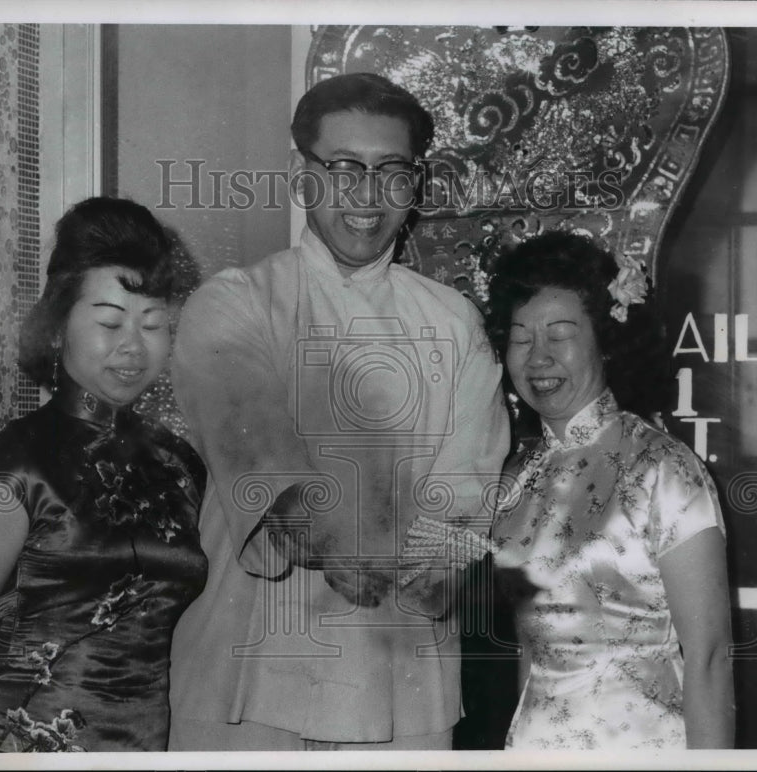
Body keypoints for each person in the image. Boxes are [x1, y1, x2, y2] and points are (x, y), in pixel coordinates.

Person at [168, 73, 510, 750]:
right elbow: (258, 457)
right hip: (251, 666)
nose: (367, 194)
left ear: (416, 185)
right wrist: (333, 538)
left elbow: (466, 484)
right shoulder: (234, 304)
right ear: (303, 177)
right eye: (344, 167)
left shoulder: (453, 322)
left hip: (396, 671)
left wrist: (442, 563)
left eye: (392, 171)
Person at [0, 197, 209, 752]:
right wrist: (15, 741)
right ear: (57, 327)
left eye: (153, 324)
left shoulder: (176, 465)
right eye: (109, 322)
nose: (132, 346)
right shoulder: (13, 467)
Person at [484, 231, 734, 749]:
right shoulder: (517, 476)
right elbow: (531, 653)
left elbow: (709, 659)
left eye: (560, 334)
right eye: (521, 336)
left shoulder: (663, 470)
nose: (538, 357)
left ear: (605, 339)